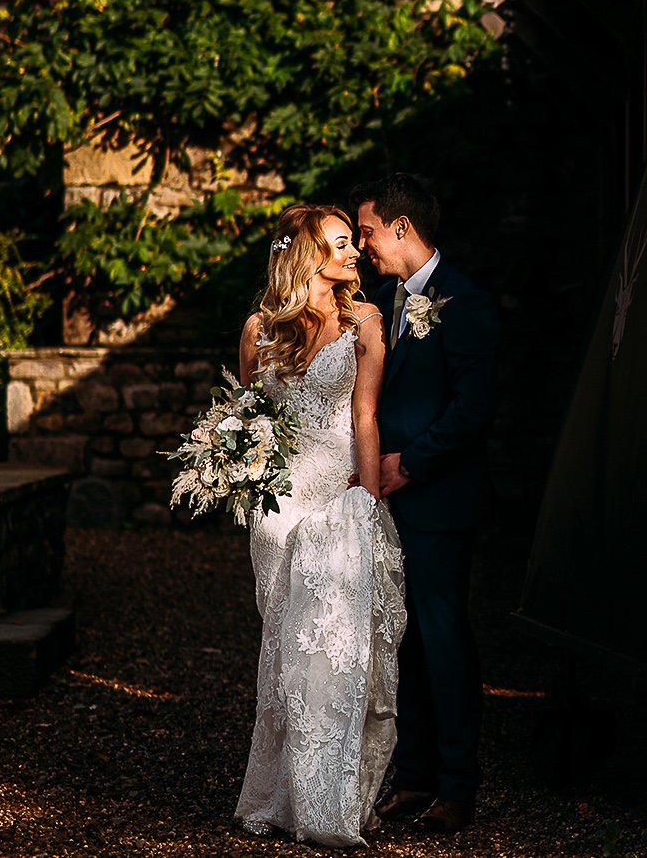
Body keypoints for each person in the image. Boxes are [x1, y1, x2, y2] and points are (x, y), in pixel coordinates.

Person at [234, 205, 406, 847]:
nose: (353, 254)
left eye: (352, 243)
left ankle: (329, 805)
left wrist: (366, 497)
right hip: (278, 511)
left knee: (332, 653)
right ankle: (281, 796)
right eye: (339, 244)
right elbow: (246, 422)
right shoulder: (259, 329)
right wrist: (245, 489)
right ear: (307, 255)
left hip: (337, 502)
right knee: (284, 655)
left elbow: (365, 417)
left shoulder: (364, 321)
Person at [352, 174, 498, 835]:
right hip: (391, 504)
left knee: (442, 639)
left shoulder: (464, 301)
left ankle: (457, 784)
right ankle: (412, 774)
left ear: (403, 228)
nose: (363, 245)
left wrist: (408, 463)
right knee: (400, 639)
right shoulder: (384, 301)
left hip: (439, 500)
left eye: (369, 231)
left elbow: (475, 406)